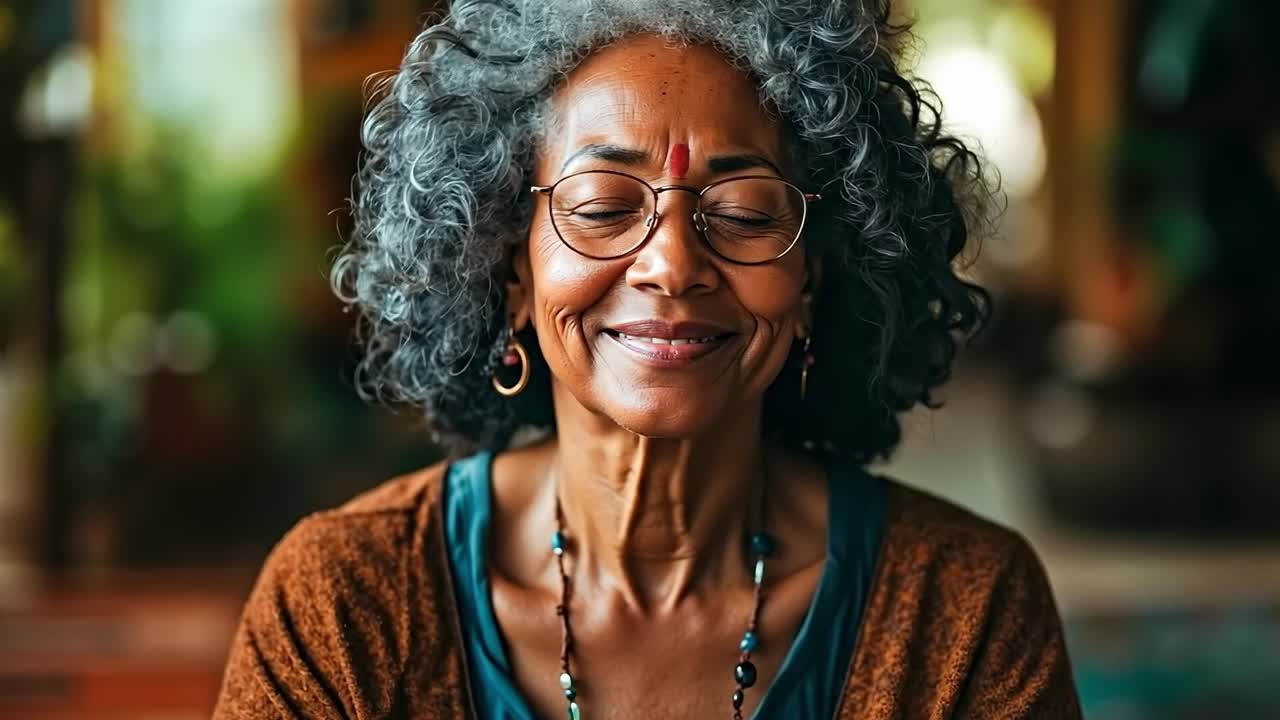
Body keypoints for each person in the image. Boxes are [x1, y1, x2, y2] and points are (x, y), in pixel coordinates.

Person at [214, 0, 1082, 718]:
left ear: (814, 277)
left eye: (744, 210)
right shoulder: (342, 606)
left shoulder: (966, 616)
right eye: (600, 208)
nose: (670, 264)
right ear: (508, 264)